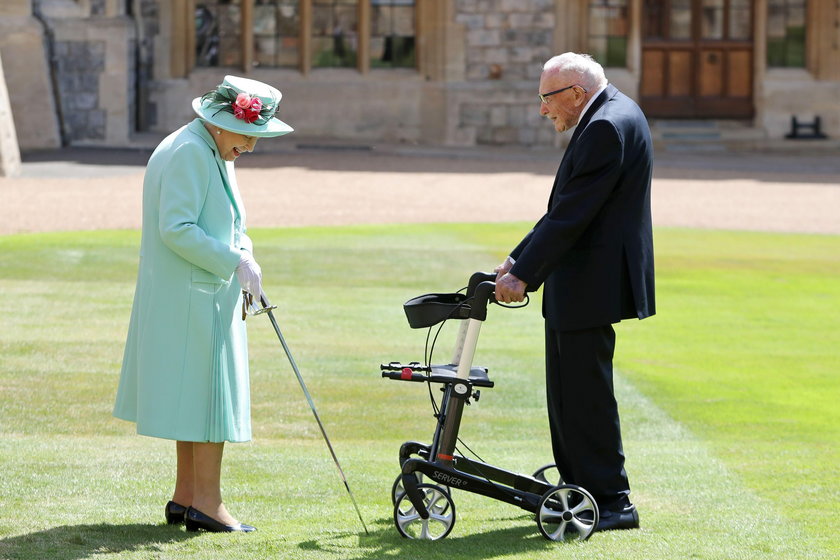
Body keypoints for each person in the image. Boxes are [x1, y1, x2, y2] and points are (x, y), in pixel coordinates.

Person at [113, 75, 293, 533]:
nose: (252, 146)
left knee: (195, 399)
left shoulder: (206, 146)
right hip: (196, 296)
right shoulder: (193, 151)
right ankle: (208, 505)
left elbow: (227, 219)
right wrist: (234, 261)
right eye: (250, 134)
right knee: (210, 401)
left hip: (196, 293)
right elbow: (176, 227)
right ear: (222, 122)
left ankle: (186, 497)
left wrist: (244, 251)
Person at [494, 53, 655, 532]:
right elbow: (567, 206)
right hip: (583, 279)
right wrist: (517, 259)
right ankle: (580, 485)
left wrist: (523, 274)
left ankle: (611, 501)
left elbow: (573, 214)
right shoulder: (613, 111)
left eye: (547, 98)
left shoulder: (606, 126)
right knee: (568, 393)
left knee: (584, 397)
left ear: (576, 94)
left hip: (590, 281)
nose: (543, 110)